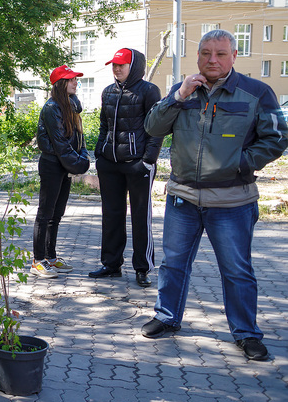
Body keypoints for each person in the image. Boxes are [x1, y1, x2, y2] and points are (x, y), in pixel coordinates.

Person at [141, 29, 287, 361]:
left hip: (232, 202)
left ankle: (246, 332)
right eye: (206, 53)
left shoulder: (256, 92)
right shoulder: (185, 91)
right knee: (174, 264)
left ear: (234, 56)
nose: (212, 60)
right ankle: (167, 317)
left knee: (237, 270)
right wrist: (177, 96)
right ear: (198, 57)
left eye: (220, 54)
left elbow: (277, 138)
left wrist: (241, 163)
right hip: (183, 198)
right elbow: (153, 127)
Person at [90, 48, 163, 286]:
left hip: (137, 164)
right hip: (109, 164)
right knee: (111, 215)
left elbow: (157, 128)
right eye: (114, 65)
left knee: (141, 217)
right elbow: (104, 126)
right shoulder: (108, 92)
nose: (117, 68)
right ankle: (111, 265)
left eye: (121, 64)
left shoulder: (149, 91)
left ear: (135, 66)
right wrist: (99, 153)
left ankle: (143, 267)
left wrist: (148, 160)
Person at [31, 65, 91, 279]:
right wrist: (80, 164)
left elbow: (78, 138)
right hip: (52, 164)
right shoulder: (51, 108)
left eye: (75, 79)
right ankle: (38, 261)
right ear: (60, 84)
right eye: (71, 79)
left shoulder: (71, 105)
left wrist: (82, 156)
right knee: (45, 213)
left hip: (64, 164)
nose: (75, 82)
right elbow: (60, 144)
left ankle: (51, 257)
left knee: (56, 214)